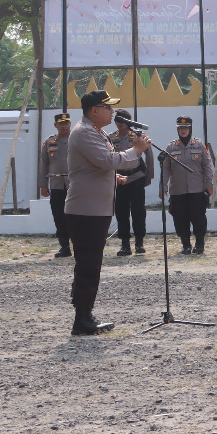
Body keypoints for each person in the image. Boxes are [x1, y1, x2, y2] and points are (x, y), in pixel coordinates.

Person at [64, 90, 153, 335]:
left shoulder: (95, 131)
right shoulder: (84, 132)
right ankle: (82, 320)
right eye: (108, 107)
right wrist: (136, 150)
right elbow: (108, 160)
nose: (112, 112)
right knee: (88, 265)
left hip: (93, 209)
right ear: (95, 110)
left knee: (90, 265)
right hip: (86, 211)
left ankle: (84, 314)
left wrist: (114, 179)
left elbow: (94, 168)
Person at [159, 116, 215, 256]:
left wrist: (208, 184)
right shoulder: (171, 147)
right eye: (180, 128)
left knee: (198, 217)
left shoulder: (199, 145)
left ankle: (199, 244)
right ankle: (185, 244)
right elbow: (165, 168)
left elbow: (207, 166)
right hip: (178, 190)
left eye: (186, 128)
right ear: (177, 129)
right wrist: (163, 186)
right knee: (180, 218)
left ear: (190, 129)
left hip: (196, 189)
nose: (183, 130)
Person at [109, 110, 155, 257]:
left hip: (136, 177)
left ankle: (139, 243)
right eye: (118, 120)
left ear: (129, 121)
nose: (121, 123)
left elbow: (149, 155)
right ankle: (125, 244)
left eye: (124, 120)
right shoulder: (110, 138)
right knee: (121, 212)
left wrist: (149, 175)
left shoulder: (139, 136)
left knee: (138, 211)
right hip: (119, 180)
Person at [38, 113, 73, 258]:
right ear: (55, 125)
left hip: (74, 184)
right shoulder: (49, 142)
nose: (64, 126)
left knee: (76, 216)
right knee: (59, 216)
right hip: (57, 185)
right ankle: (64, 246)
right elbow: (43, 164)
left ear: (70, 123)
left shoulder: (77, 140)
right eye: (61, 123)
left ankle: (79, 245)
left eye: (66, 123)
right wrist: (43, 185)